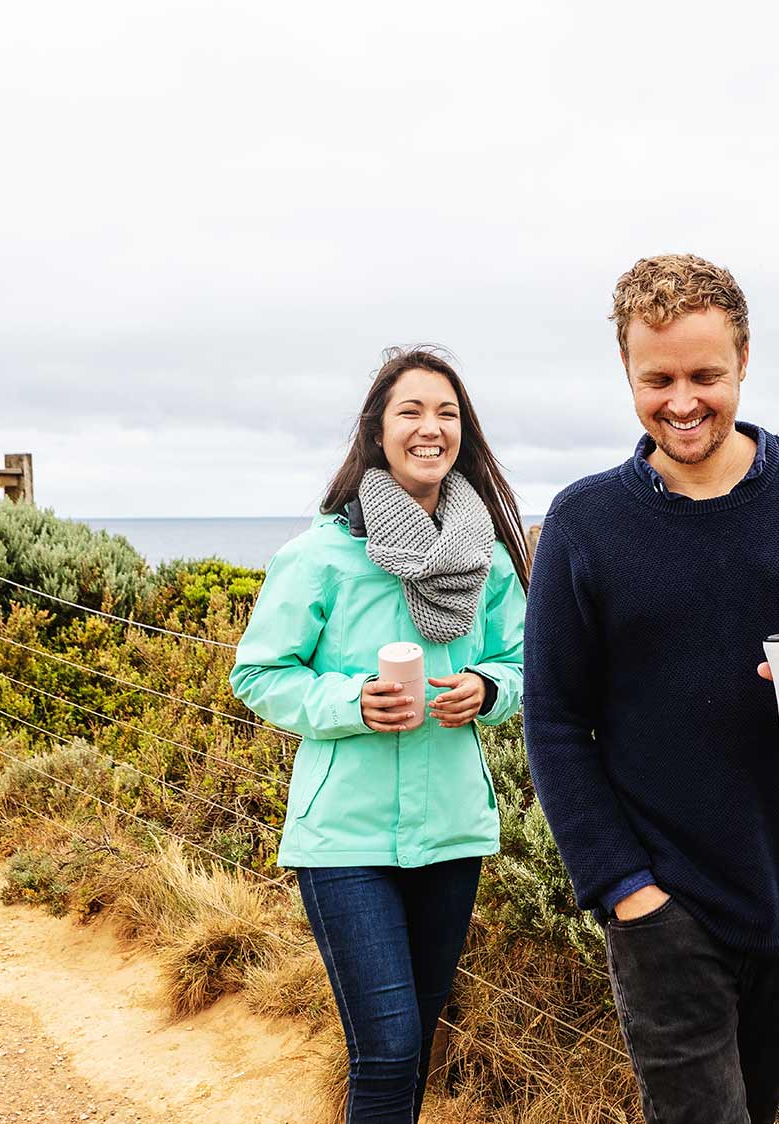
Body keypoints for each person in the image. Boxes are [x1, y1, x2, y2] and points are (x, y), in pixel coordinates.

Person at [523, 255, 779, 1124]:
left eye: (705, 375)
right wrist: (628, 893)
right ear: (626, 373)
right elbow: (554, 723)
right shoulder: (585, 523)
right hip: (663, 910)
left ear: (744, 361)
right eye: (656, 378)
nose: (681, 400)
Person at [230, 346, 528, 1124]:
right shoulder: (320, 556)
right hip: (343, 840)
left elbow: (521, 662)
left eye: (447, 413)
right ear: (377, 430)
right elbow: (260, 673)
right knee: (388, 1049)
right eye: (411, 411)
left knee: (416, 1047)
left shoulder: (488, 556)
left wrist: (488, 689)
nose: (431, 428)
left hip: (453, 831)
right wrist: (348, 701)